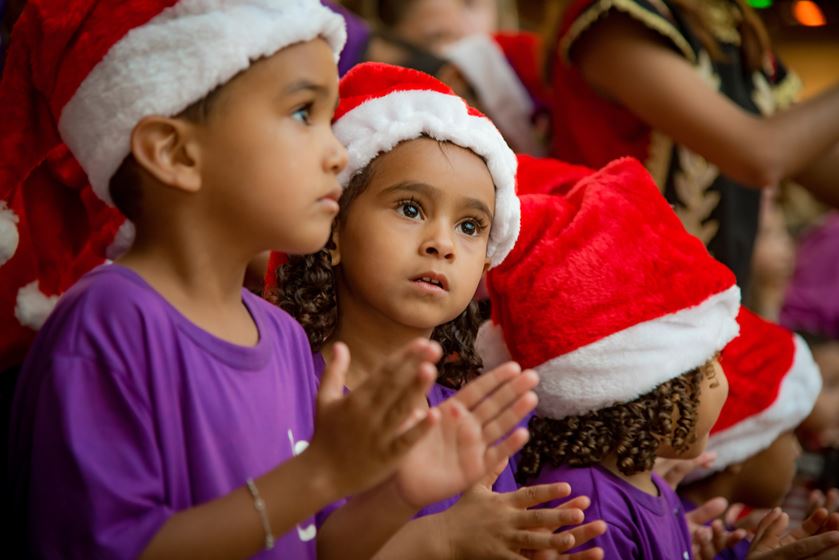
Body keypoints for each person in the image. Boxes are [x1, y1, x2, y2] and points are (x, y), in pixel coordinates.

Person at [4, 2, 536, 558]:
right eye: (305, 113)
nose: (336, 151)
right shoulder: (110, 321)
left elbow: (310, 548)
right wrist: (320, 476)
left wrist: (401, 496)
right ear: (175, 151)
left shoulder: (280, 337)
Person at [272, 61, 606, 560]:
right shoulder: (286, 385)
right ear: (335, 228)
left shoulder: (470, 416)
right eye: (411, 208)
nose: (442, 244)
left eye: (471, 226)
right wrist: (443, 539)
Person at [478, 157, 741, 559]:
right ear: (640, 389)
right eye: (706, 367)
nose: (723, 383)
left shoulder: (653, 486)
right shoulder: (588, 506)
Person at [547, 0, 839, 295]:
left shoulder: (728, 26)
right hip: (621, 308)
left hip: (709, 316)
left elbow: (810, 159)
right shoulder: (614, 19)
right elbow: (760, 154)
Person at [679, 307, 829, 559]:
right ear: (739, 448)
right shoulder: (699, 543)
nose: (797, 452)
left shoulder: (731, 539)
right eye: (789, 433)